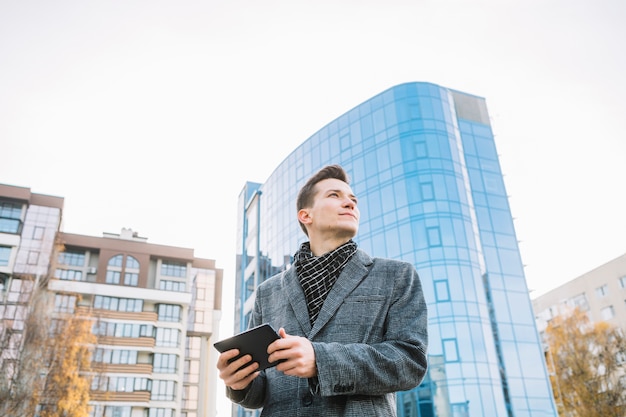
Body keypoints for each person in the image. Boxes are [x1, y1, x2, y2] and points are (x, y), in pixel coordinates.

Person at [217, 164, 428, 416]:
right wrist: (239, 383)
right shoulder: (267, 291)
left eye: (353, 200)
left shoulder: (397, 275)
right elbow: (262, 391)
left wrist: (320, 359)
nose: (350, 204)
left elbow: (410, 362)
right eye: (334, 195)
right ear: (306, 216)